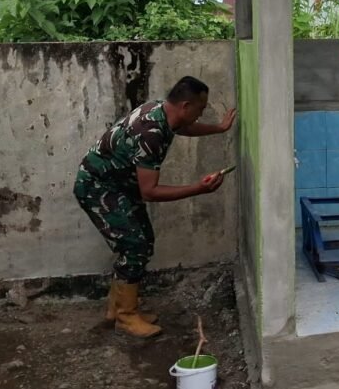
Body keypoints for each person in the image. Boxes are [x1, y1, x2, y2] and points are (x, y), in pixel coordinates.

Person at [74, 76, 237, 337]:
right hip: (98, 189)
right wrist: (199, 188)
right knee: (134, 245)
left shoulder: (162, 111)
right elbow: (149, 192)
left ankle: (118, 308)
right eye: (201, 108)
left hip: (118, 187)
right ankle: (126, 317)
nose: (202, 113)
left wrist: (219, 129)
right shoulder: (150, 133)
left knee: (142, 241)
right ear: (185, 106)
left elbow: (183, 127)